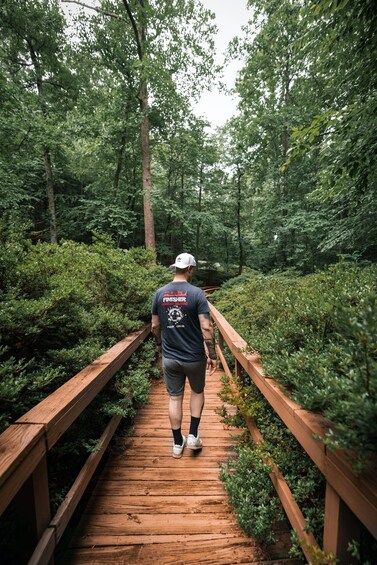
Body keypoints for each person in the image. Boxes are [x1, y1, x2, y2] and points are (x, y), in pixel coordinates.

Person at [151, 252, 218, 458]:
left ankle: (177, 444)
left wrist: (161, 344)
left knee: (174, 397)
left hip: (170, 357)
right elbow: (206, 327)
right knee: (197, 392)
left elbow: (155, 325)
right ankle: (193, 435)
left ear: (176, 268)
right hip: (194, 357)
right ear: (190, 269)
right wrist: (212, 354)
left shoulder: (159, 293)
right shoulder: (197, 293)